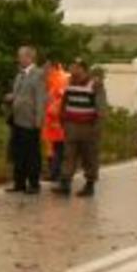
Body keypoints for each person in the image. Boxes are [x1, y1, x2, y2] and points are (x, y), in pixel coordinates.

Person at [53, 58, 107, 197]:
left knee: (89, 156)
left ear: (82, 69)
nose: (71, 69)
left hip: (88, 127)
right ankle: (65, 184)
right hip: (71, 126)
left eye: (74, 67)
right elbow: (64, 103)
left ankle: (90, 184)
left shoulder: (95, 84)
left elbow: (101, 108)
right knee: (68, 155)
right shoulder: (69, 82)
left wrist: (97, 128)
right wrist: (62, 120)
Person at [5, 46, 46, 195]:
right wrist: (12, 97)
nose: (18, 59)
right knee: (18, 153)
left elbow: (40, 99)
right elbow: (20, 94)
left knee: (32, 154)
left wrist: (38, 121)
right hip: (17, 119)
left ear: (29, 58)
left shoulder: (38, 75)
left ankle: (34, 183)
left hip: (30, 121)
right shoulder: (19, 75)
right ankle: (19, 183)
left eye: (21, 56)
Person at [42, 60, 68, 182]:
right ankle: (53, 171)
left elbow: (62, 99)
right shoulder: (50, 79)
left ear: (53, 67)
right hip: (50, 120)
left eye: (46, 67)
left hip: (57, 120)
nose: (44, 70)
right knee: (51, 146)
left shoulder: (61, 79)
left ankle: (56, 172)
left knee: (58, 146)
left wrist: (53, 110)